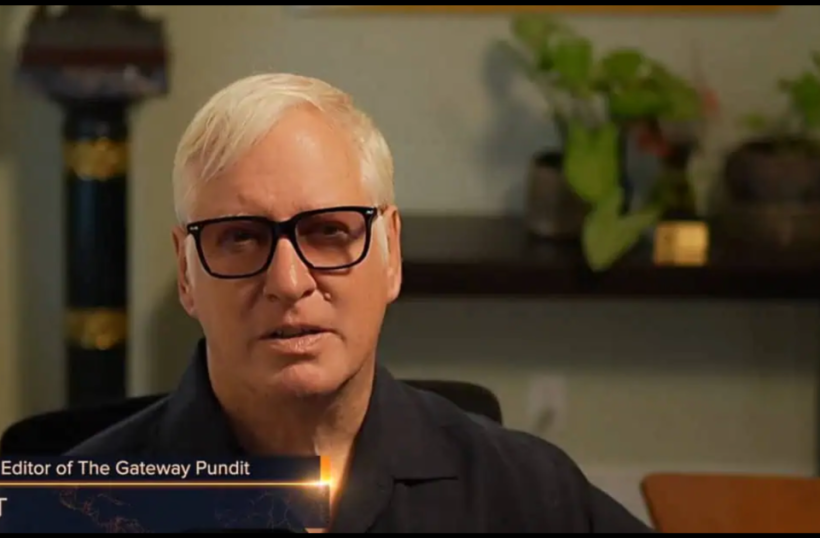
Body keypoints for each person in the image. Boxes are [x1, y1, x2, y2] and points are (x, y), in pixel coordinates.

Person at [67, 73, 653, 533]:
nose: (289, 282)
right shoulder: (79, 508)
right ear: (186, 274)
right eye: (240, 238)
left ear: (390, 252)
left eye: (329, 231)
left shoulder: (526, 493)